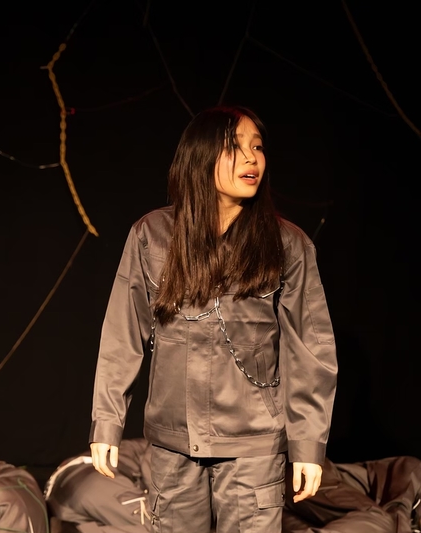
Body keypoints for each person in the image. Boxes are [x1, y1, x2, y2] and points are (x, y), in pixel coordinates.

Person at [88, 106, 338, 532]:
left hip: (253, 448)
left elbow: (311, 349)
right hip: (173, 446)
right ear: (200, 156)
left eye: (257, 147)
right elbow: (122, 335)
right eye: (235, 148)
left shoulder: (287, 244)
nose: (251, 158)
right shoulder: (151, 235)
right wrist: (107, 422)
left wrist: (308, 444)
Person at [283, 455, 421, 533]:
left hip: (291, 514)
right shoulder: (415, 472)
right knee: (380, 520)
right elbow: (397, 510)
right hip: (307, 481)